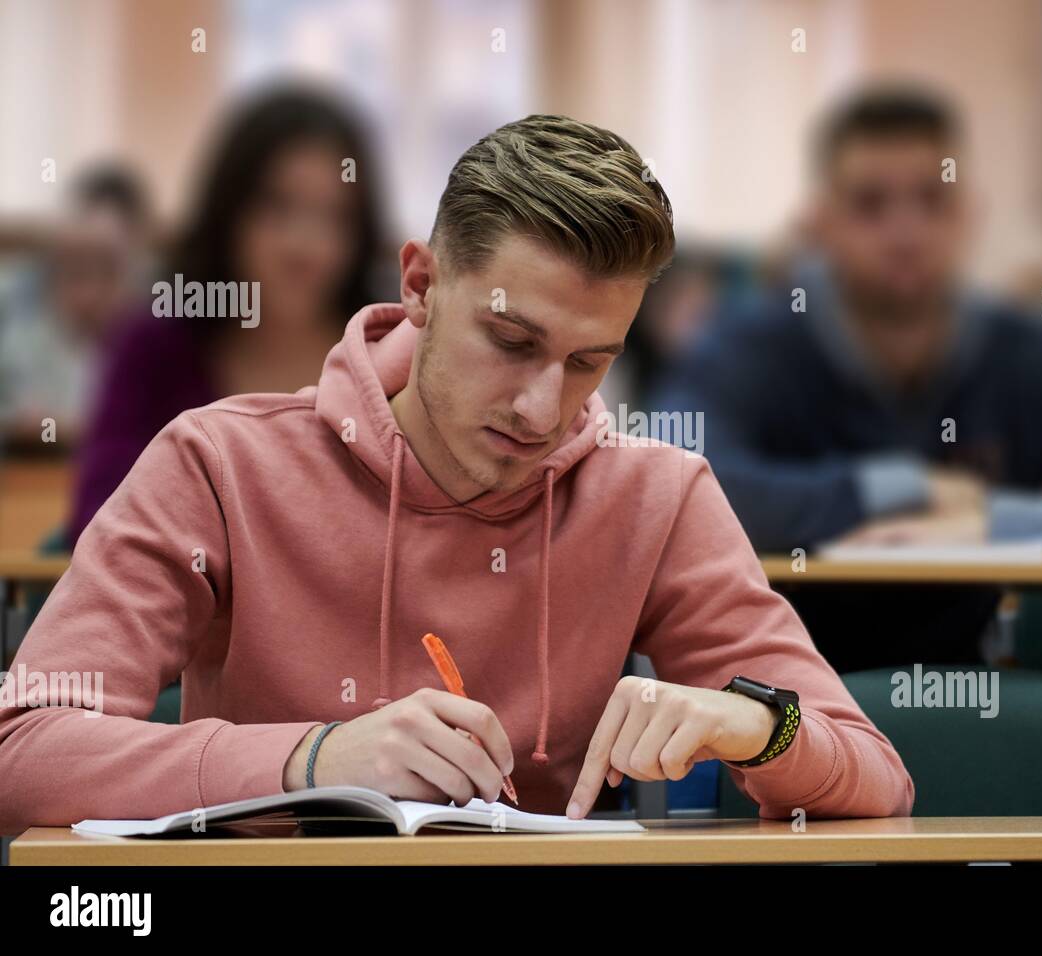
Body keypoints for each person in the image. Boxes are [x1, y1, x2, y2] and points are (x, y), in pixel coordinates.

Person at [0, 114, 914, 833]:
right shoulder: (218, 463)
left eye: (589, 362)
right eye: (511, 342)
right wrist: (313, 762)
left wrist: (763, 729)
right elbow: (21, 749)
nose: (542, 411)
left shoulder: (657, 497)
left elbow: (879, 778)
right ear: (421, 286)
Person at [650, 86, 1042, 670]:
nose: (906, 233)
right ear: (819, 223)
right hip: (769, 701)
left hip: (982, 704)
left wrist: (999, 521)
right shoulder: (750, 348)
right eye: (870, 204)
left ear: (970, 213)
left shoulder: (1032, 358)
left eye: (933, 199)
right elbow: (668, 485)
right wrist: (903, 489)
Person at [67, 83, 388, 545]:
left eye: (335, 216)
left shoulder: (385, 354)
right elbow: (99, 519)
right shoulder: (153, 345)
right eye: (278, 206)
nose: (304, 243)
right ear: (229, 211)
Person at [0, 163, 151, 447]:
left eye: (107, 273)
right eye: (74, 273)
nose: (88, 296)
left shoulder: (153, 350)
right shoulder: (23, 342)